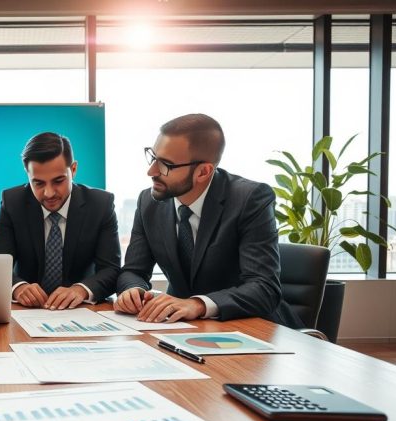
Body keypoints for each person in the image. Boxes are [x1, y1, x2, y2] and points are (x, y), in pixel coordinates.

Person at [114, 113, 302, 328]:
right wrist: (133, 290)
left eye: (166, 164)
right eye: (153, 157)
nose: (151, 171)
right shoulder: (149, 202)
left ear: (203, 172)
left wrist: (198, 305)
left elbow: (263, 288)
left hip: (253, 328)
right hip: (181, 328)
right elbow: (133, 270)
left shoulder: (249, 199)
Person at [0, 132, 120, 310]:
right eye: (38, 183)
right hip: (28, 311)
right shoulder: (12, 202)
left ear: (73, 170)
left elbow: (111, 270)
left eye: (58, 181)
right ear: (27, 174)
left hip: (80, 310)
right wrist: (18, 288)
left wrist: (81, 290)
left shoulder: (100, 204)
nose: (49, 193)